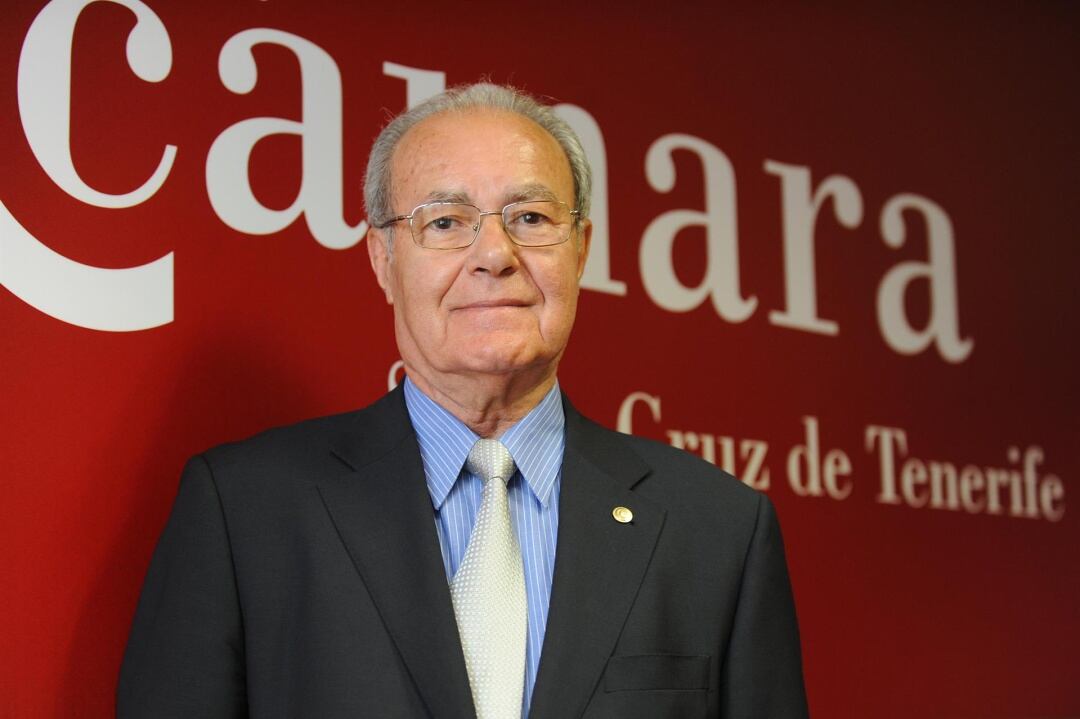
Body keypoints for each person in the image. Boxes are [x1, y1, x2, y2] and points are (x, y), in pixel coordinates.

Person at [118, 83, 808, 719]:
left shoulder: (719, 531)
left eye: (531, 217)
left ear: (581, 250)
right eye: (445, 222)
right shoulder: (244, 511)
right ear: (383, 261)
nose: (495, 254)